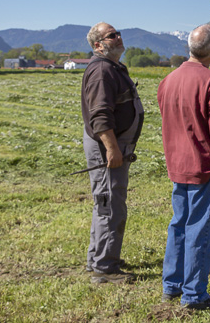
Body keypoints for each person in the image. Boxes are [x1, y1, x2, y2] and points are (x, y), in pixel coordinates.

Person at [157, 24, 210, 311]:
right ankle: (194, 294)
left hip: (178, 166)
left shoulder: (168, 80)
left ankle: (172, 284)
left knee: (179, 226)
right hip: (206, 169)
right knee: (201, 230)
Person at [81, 23, 143, 285]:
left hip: (113, 146)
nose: (118, 38)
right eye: (111, 36)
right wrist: (112, 148)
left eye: (118, 34)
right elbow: (100, 115)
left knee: (105, 202)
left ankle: (98, 258)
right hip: (108, 148)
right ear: (98, 45)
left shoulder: (111, 67)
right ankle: (105, 268)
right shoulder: (102, 70)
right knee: (110, 205)